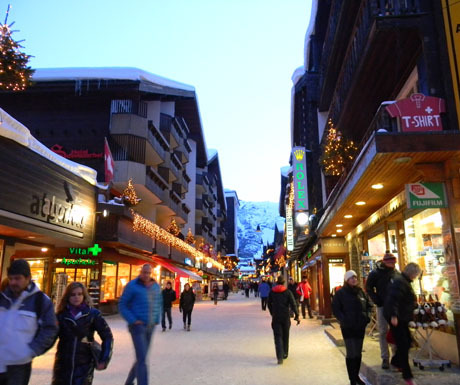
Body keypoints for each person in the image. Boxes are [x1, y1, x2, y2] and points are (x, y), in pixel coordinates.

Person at [0, 259, 58, 385]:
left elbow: (50, 329)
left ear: (28, 278)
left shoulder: (41, 301)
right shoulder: (2, 298)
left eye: (17, 278)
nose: (13, 282)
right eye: (11, 279)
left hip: (19, 365)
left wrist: (32, 350)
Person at [52, 282, 113, 385]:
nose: (76, 297)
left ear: (84, 295)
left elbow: (107, 336)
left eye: (79, 294)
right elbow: (51, 337)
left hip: (84, 363)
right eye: (73, 294)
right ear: (68, 296)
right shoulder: (61, 315)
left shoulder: (93, 314)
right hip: (63, 363)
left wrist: (104, 358)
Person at [119, 264, 162, 385]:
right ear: (140, 272)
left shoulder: (155, 287)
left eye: (148, 273)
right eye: (144, 272)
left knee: (141, 358)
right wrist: (133, 320)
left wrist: (156, 319)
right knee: (142, 359)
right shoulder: (132, 286)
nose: (146, 275)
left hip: (150, 326)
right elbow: (122, 305)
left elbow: (159, 303)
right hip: (137, 327)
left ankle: (128, 382)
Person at [384, 262, 421, 385]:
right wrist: (394, 315)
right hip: (397, 318)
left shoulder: (402, 281)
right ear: (412, 273)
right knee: (403, 344)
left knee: (407, 342)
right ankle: (407, 376)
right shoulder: (400, 282)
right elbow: (393, 299)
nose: (416, 277)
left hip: (401, 318)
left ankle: (395, 362)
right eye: (416, 274)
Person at [332, 270, 371, 385]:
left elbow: (368, 305)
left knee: (358, 353)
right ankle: (352, 379)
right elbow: (336, 309)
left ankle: (356, 376)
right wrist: (343, 320)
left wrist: (367, 317)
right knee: (351, 353)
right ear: (346, 280)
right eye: (351, 278)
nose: (354, 279)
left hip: (360, 326)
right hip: (348, 327)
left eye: (355, 277)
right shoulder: (341, 293)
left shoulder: (360, 292)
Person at [365, 251, 400, 369]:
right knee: (383, 331)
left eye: (394, 263)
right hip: (382, 306)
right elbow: (368, 288)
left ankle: (396, 357)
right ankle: (385, 357)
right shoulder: (375, 273)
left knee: (395, 332)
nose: (393, 265)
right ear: (386, 263)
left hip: (395, 306)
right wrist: (377, 300)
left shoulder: (396, 273)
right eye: (391, 263)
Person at [267, 276, 300, 365]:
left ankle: (279, 356)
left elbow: (269, 303)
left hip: (276, 316)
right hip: (285, 316)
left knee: (278, 336)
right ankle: (285, 353)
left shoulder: (272, 292)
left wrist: (272, 312)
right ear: (284, 282)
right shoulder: (287, 292)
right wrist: (297, 314)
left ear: (277, 282)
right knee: (285, 335)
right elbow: (293, 304)